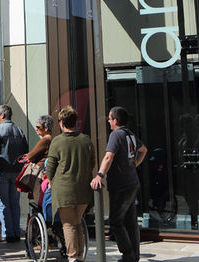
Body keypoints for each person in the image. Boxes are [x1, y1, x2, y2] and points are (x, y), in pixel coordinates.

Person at [91, 106, 147, 262]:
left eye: (109, 118)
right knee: (130, 222)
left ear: (115, 120)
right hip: (132, 182)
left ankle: (128, 255)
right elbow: (143, 150)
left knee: (115, 222)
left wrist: (99, 175)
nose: (108, 121)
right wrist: (134, 164)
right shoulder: (130, 134)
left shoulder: (116, 135)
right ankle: (134, 255)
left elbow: (108, 157)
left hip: (121, 185)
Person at [45, 106, 94, 262]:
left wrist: (49, 181)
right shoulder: (85, 139)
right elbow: (92, 162)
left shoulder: (57, 141)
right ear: (75, 122)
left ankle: (73, 256)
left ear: (61, 123)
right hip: (83, 188)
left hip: (64, 188)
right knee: (78, 222)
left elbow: (50, 166)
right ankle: (79, 255)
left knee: (68, 224)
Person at [0, 104, 29, 243]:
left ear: (2, 115)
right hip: (17, 171)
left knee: (2, 203)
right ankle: (16, 232)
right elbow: (26, 151)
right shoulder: (19, 130)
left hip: (0, 171)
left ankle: (7, 233)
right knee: (14, 203)